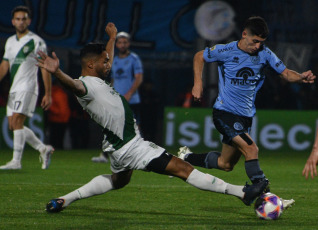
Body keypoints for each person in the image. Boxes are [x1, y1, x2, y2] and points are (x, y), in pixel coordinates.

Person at [36, 22, 268, 213]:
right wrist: (57, 72)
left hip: (117, 146)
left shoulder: (97, 78)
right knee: (183, 169)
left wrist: (112, 39)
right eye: (105, 62)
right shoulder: (85, 85)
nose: (109, 64)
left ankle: (65, 199)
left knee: (119, 181)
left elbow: (108, 59)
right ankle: (242, 192)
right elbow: (73, 85)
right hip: (131, 146)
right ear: (90, 64)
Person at [177, 16, 316, 209]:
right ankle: (266, 195)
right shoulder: (226, 50)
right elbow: (199, 56)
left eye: (261, 42)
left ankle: (185, 158)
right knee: (252, 149)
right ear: (244, 34)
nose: (258, 46)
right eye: (255, 41)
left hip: (245, 116)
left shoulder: (265, 54)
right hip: (224, 112)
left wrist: (301, 77)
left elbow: (285, 73)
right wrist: (198, 83)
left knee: (225, 164)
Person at [0, 6, 54, 170]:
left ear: (29, 21)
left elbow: (45, 66)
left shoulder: (36, 41)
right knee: (13, 125)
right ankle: (43, 148)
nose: (21, 22)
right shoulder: (10, 42)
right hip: (14, 88)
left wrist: (48, 93)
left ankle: (16, 161)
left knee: (17, 121)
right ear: (13, 21)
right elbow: (4, 65)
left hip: (28, 87)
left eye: (24, 19)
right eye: (18, 19)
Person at [91, 31, 143, 163]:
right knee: (110, 125)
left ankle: (139, 153)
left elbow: (138, 78)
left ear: (128, 43)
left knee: (134, 126)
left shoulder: (134, 59)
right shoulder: (113, 60)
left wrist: (130, 94)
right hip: (117, 99)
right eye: (119, 42)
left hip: (131, 99)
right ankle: (105, 154)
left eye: (124, 42)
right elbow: (114, 79)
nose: (122, 44)